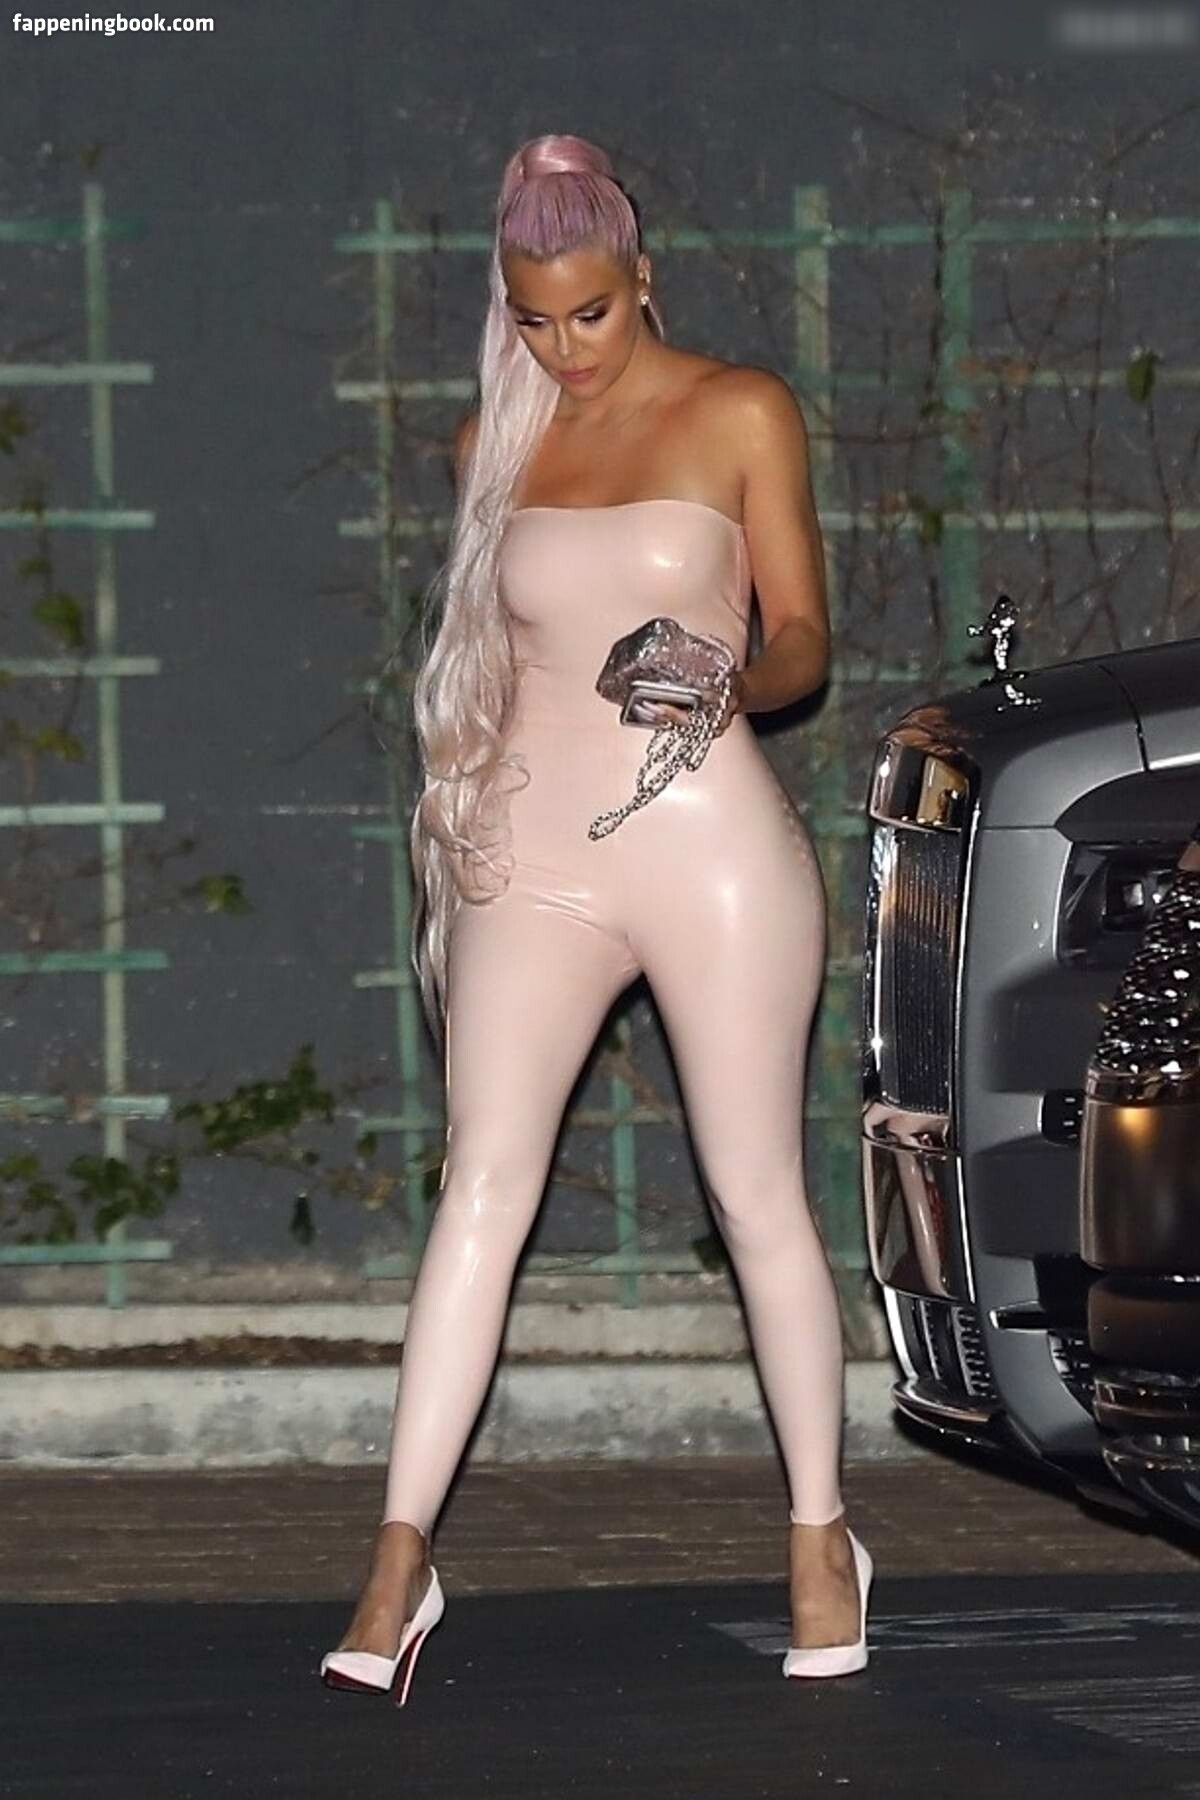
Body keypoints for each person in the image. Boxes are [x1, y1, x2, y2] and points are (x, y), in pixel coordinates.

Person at [320, 131, 872, 1704]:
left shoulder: (740, 409)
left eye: (591, 313)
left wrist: (732, 671)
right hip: (534, 856)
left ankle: (821, 1534)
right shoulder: (490, 447)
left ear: (642, 281)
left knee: (753, 1192)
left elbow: (805, 639)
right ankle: (399, 1556)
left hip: (708, 844)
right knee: (482, 1185)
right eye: (533, 319)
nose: (564, 347)